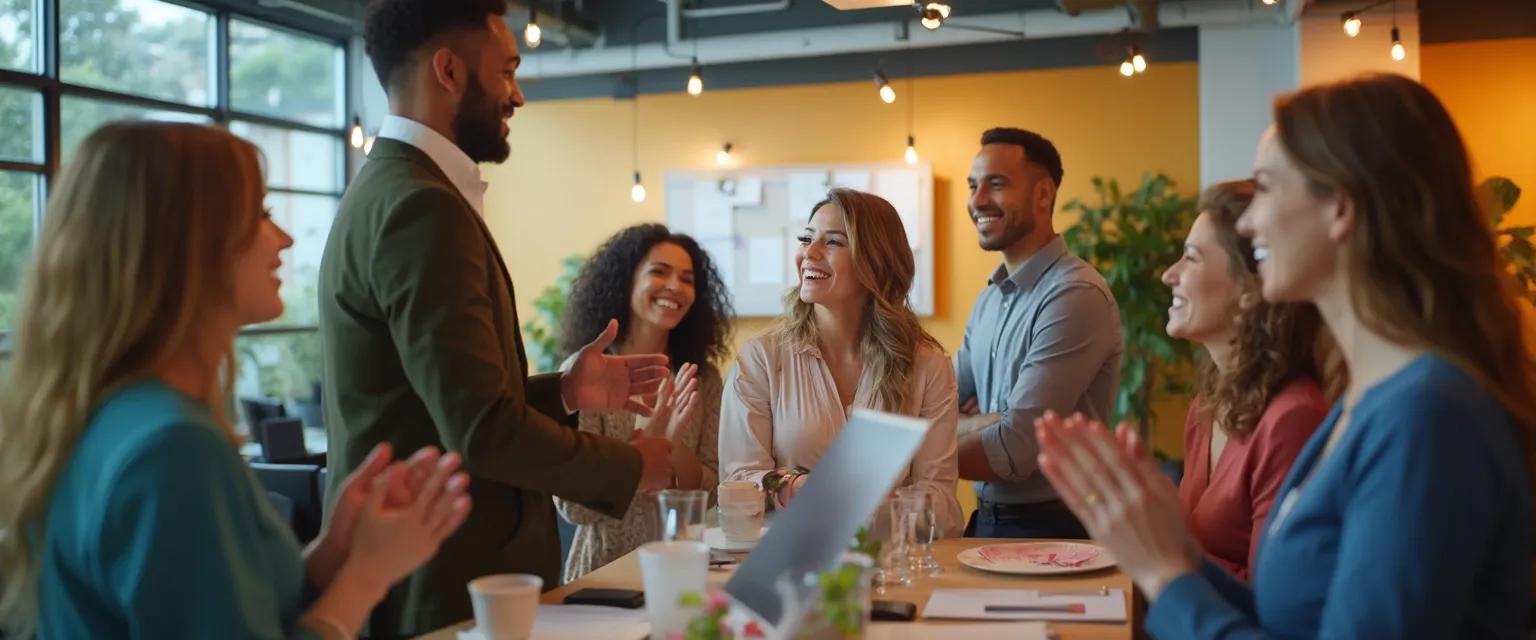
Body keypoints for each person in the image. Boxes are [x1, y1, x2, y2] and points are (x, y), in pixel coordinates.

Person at [1037, 73, 1535, 638]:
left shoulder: (1426, 415)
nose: (1249, 222)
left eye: (1268, 187)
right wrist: (1169, 546)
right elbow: (1292, 621)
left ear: (1341, 208)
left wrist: (1168, 575)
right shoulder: (1368, 402)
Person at [0, 122, 471, 640]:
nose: (285, 238)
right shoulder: (172, 447)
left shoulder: (105, 417)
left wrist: (334, 553)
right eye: (262, 214)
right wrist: (367, 575)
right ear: (189, 242)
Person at [319, 0, 674, 633]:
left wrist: (562, 393)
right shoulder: (420, 209)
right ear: (450, 72)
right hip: (449, 580)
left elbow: (442, 403)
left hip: (450, 569)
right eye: (507, 70)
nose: (517, 96)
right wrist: (633, 466)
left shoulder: (399, 190)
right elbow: (482, 430)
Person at [719, 188, 964, 538]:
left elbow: (943, 504)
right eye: (806, 238)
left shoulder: (928, 365)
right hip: (785, 563)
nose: (810, 253)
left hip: (888, 564)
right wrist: (798, 485)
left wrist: (858, 504)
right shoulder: (761, 359)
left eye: (833, 242)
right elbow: (738, 481)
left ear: (875, 261)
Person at [954, 127, 1123, 539]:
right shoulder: (988, 301)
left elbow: (1015, 448)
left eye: (996, 185)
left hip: (1058, 531)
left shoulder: (1074, 295)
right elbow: (931, 405)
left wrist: (912, 451)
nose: (977, 201)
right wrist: (984, 423)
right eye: (974, 186)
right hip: (987, 524)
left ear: (1043, 194)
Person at [1162, 179, 1331, 580]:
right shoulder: (1207, 404)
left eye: (1191, 258)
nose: (1170, 274)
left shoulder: (1294, 419)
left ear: (1249, 287)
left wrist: (1159, 552)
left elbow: (1271, 600)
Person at [554, 224, 734, 581]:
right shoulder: (586, 374)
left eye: (687, 278)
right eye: (659, 271)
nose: (674, 286)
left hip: (683, 569)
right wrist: (639, 457)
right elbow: (573, 508)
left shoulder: (704, 378)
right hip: (603, 574)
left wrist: (670, 449)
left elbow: (713, 496)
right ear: (626, 280)